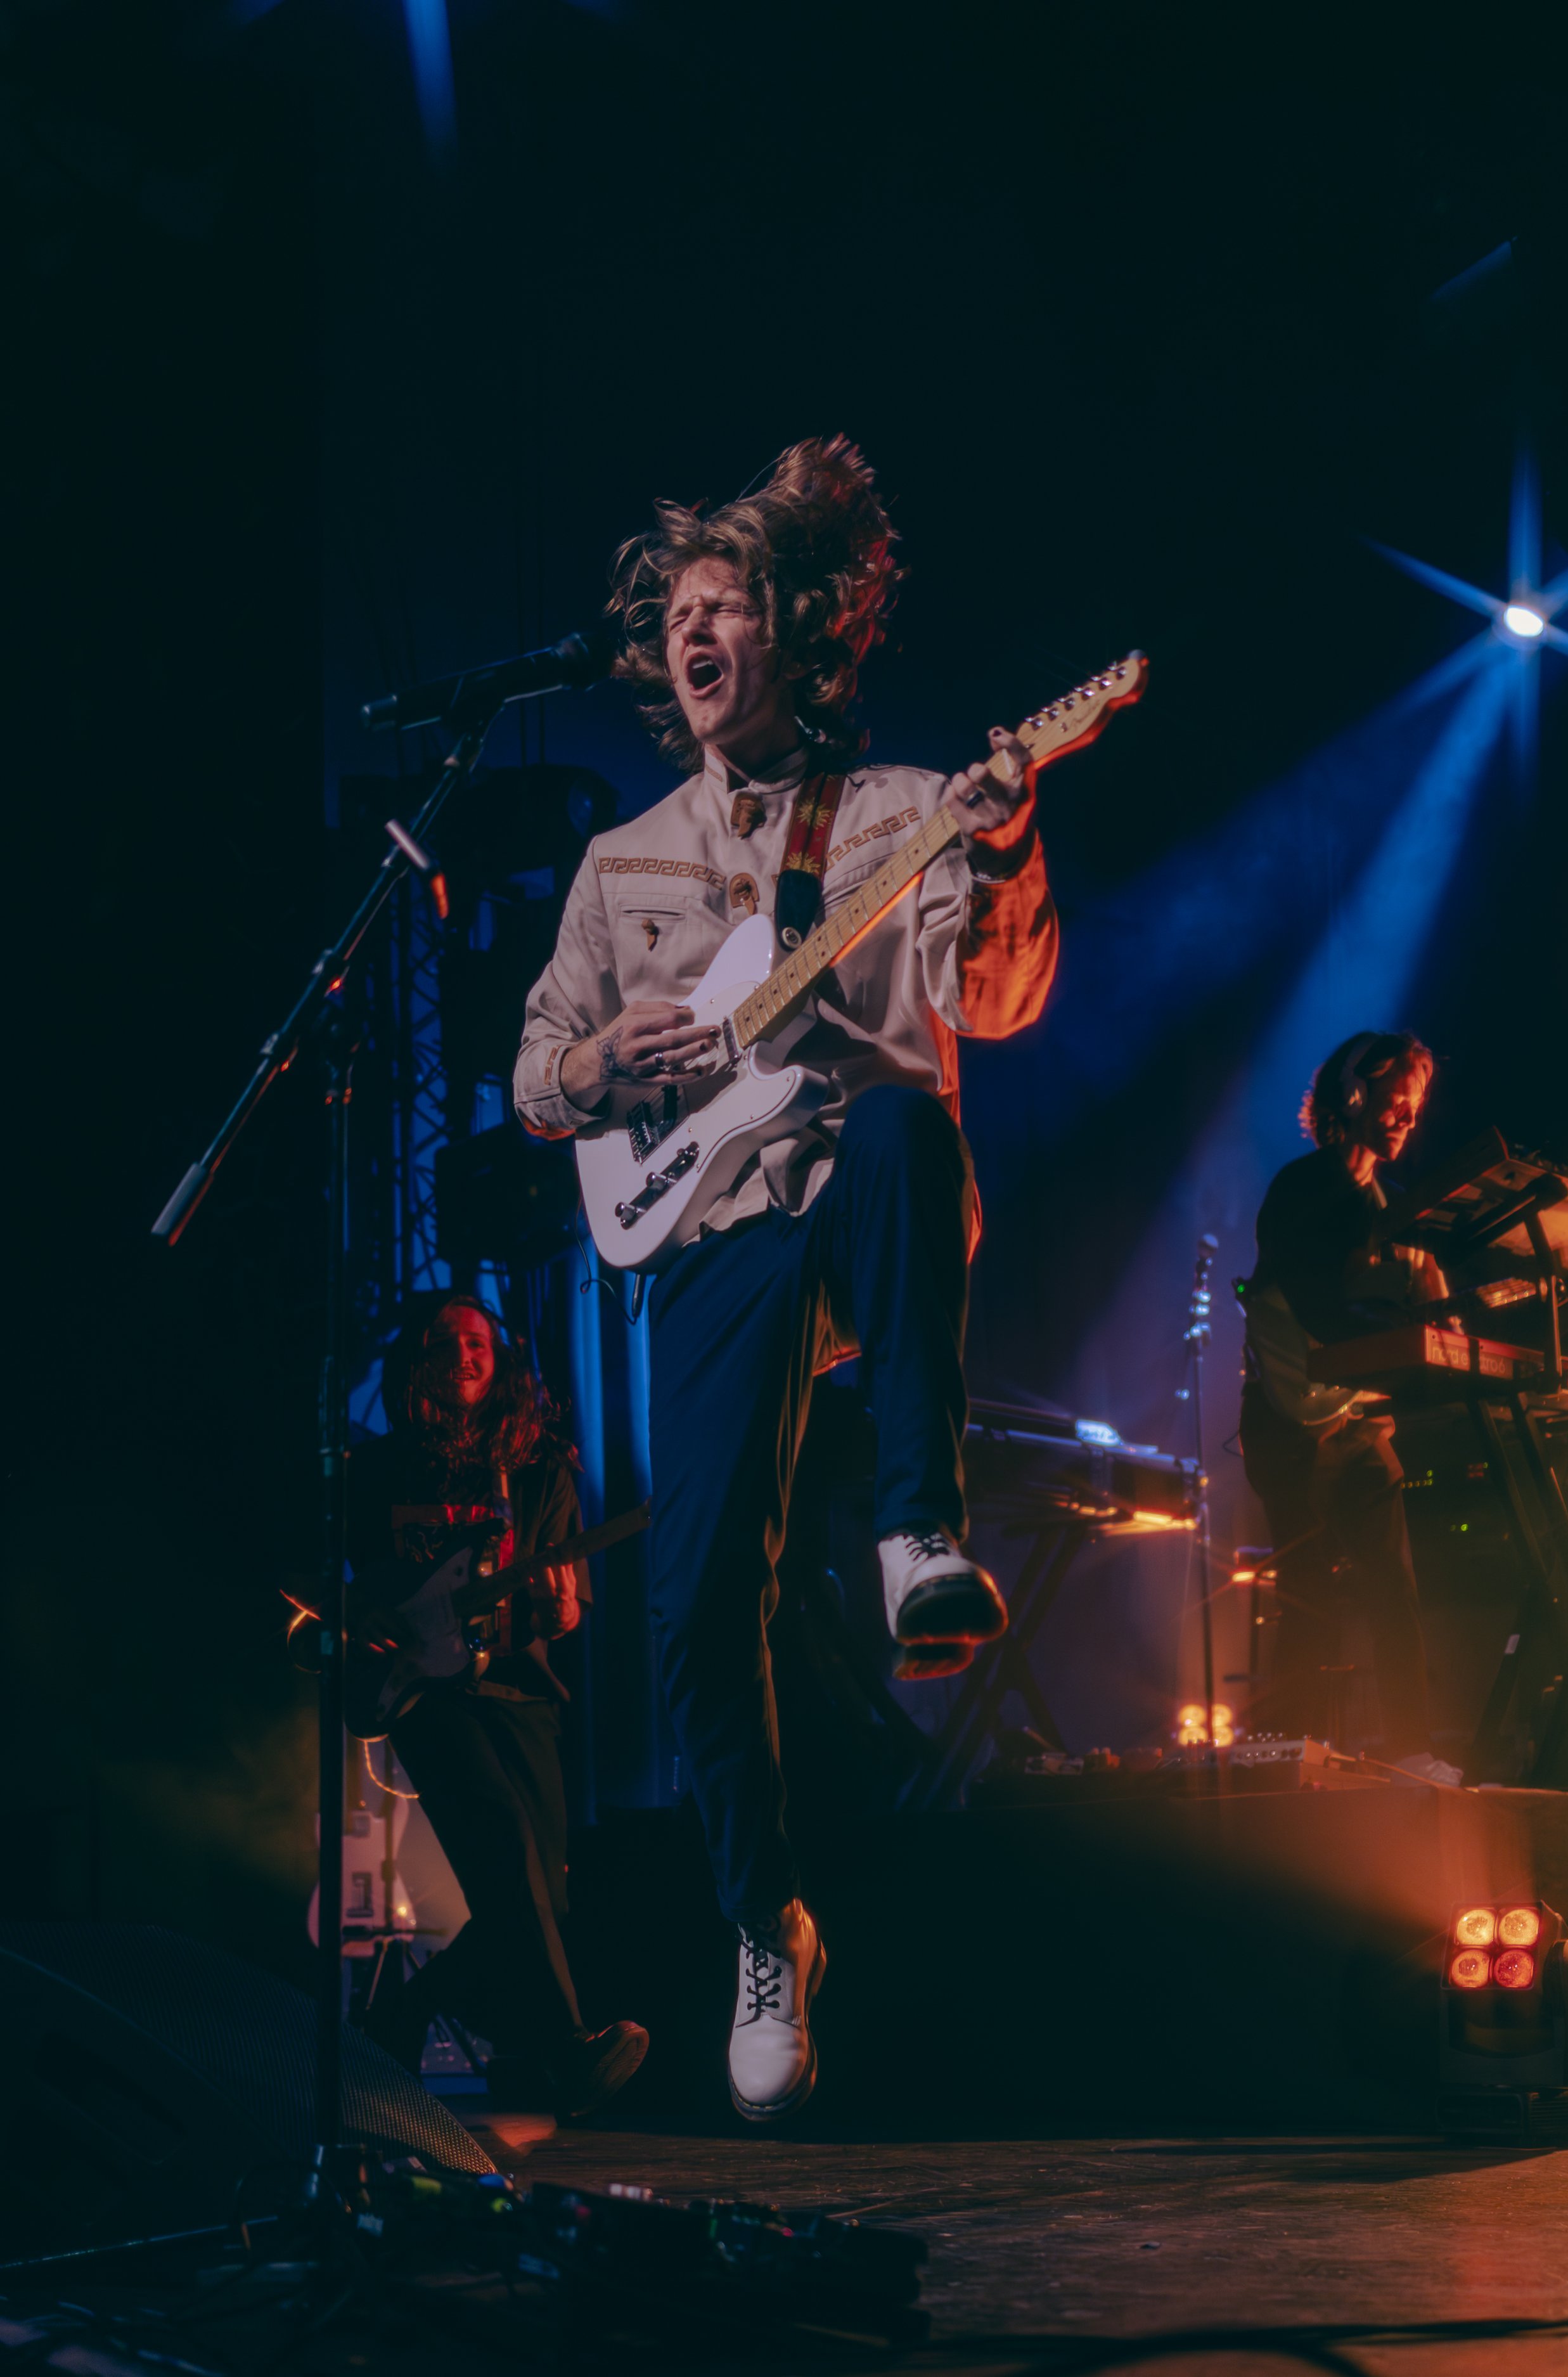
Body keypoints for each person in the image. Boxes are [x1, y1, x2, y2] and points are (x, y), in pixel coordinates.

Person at [513, 436, 1058, 2119]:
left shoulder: (900, 807)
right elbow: (536, 1086)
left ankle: (916, 1528)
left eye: (726, 604)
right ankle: (768, 1921)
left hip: (864, 1206)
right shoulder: (622, 863)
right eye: (674, 611)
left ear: (787, 634)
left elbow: (1002, 1001)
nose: (694, 631)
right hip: (708, 1231)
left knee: (899, 1128)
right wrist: (610, 1050)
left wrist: (1013, 835)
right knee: (688, 1613)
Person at [348, 1289, 648, 2116]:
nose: (464, 1356)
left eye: (478, 1342)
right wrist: (364, 1618)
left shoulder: (541, 1469)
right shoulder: (374, 1471)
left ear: (500, 1359)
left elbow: (569, 1605)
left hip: (520, 1689)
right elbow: (343, 1586)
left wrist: (561, 1610)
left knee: (538, 1895)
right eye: (444, 1343)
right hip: (424, 1696)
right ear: (417, 1362)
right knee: (507, 1848)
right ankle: (565, 2048)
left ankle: (397, 2018)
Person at [1240, 1031, 1462, 1783]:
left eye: (1415, 1105)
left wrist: (1442, 1317)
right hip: (1288, 1425)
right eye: (1397, 1099)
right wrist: (1412, 1332)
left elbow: (1413, 1300)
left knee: (1392, 1588)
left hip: (1362, 1420)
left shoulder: (1392, 1209)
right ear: (1353, 1095)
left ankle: (1411, 1752)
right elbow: (1323, 1313)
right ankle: (1284, 1765)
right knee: (1310, 1598)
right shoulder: (1302, 1189)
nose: (1407, 1116)